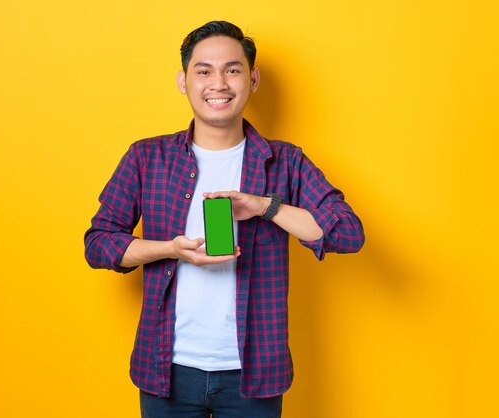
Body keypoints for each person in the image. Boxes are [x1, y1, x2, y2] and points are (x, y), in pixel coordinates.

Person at [84, 20, 365, 418]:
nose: (218, 83)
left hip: (254, 374)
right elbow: (97, 244)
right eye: (204, 71)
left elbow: (348, 233)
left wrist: (265, 207)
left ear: (253, 80)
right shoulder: (146, 158)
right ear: (184, 81)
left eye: (233, 69)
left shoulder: (285, 161)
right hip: (166, 368)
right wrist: (170, 250)